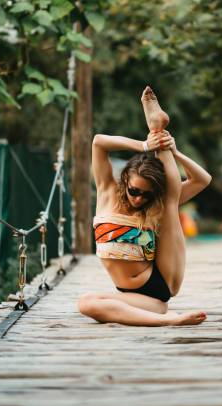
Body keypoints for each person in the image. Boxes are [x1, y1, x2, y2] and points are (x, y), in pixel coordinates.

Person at [78, 88, 212, 326]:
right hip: (143, 300)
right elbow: (99, 142)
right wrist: (143, 145)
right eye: (134, 191)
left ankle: (157, 129)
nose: (139, 199)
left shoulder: (154, 205)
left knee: (169, 201)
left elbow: (202, 180)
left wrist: (173, 151)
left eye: (146, 195)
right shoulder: (107, 192)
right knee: (86, 302)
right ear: (125, 181)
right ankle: (167, 318)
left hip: (162, 280)